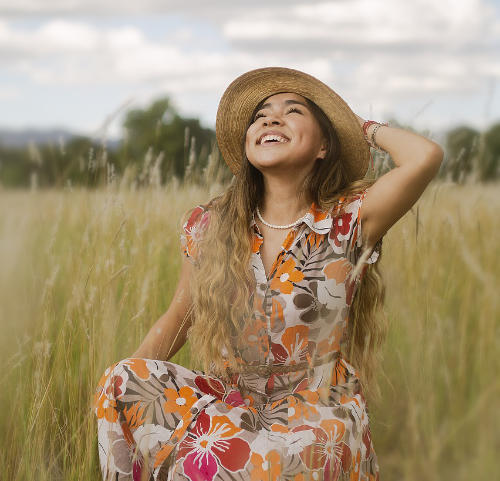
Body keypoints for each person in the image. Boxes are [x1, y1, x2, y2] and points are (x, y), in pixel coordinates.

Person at [93, 66, 443, 481]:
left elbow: (424, 156)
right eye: (261, 115)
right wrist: (114, 394)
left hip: (317, 413)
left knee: (271, 463)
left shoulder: (349, 218)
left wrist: (357, 125)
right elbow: (179, 317)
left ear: (323, 146)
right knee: (119, 380)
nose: (271, 118)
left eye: (293, 111)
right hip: (233, 405)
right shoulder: (208, 226)